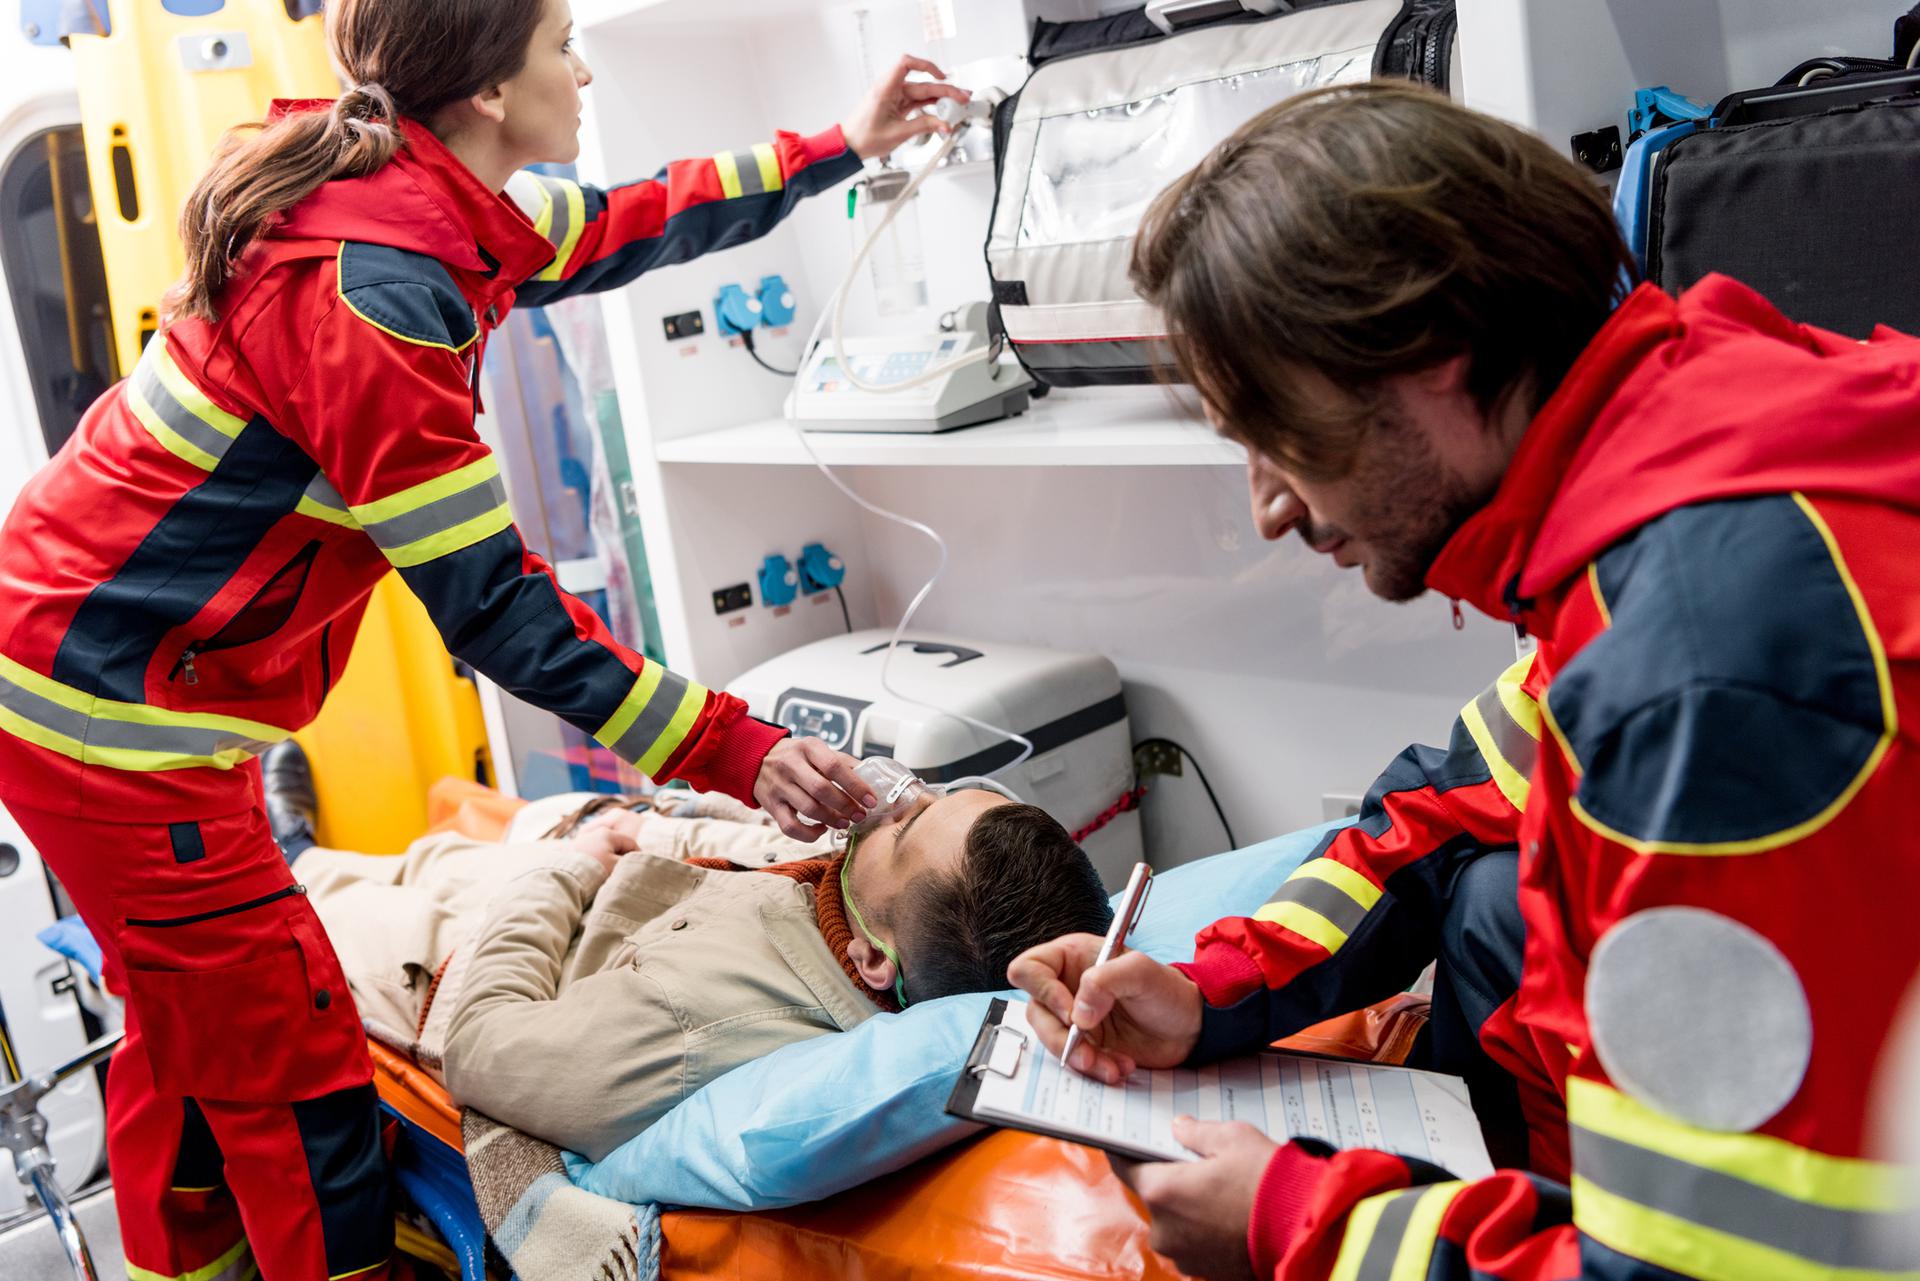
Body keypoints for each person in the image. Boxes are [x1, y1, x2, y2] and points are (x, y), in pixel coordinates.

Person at [0, 0, 966, 1269]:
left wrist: (840, 142)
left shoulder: (416, 200)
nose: (578, 66)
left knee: (188, 1025)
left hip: (104, 681)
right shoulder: (377, 296)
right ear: (490, 94)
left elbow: (639, 216)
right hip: (113, 724)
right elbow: (491, 601)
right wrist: (729, 748)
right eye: (560, 41)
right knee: (292, 1051)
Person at [1011, 81, 1920, 1281]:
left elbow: (1741, 1266)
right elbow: (1448, 800)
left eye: (1279, 433)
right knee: (1491, 895)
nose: (1271, 505)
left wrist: (1315, 1233)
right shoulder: (1703, 438)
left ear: (1432, 356)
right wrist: (1206, 991)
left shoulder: (1702, 673)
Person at [289, 780, 1113, 1159]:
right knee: (442, 843)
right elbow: (763, 863)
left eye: (908, 825)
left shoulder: (694, 1026)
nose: (897, 800)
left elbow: (480, 1040)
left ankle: (290, 844)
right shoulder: (859, 915)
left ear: (871, 957)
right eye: (930, 794)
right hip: (591, 877)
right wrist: (639, 830)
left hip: (450, 955)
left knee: (309, 890)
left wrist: (568, 868)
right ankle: (302, 839)